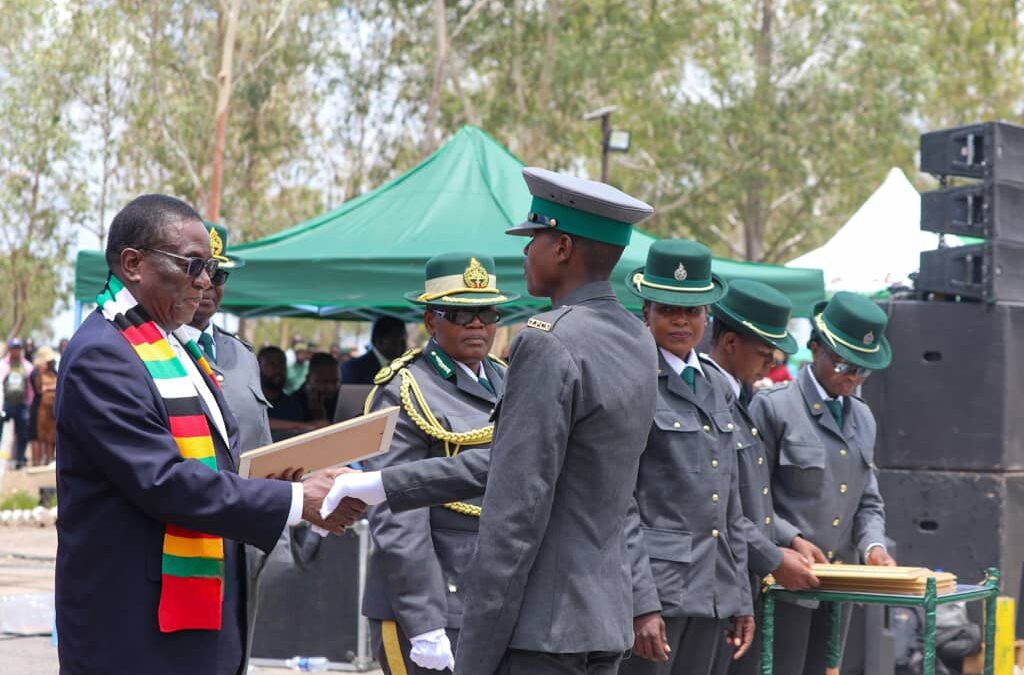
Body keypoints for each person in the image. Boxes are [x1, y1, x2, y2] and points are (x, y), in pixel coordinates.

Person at [326, 167, 658, 675]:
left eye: (534, 239)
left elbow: (514, 515)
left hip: (538, 630)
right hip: (601, 620)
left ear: (563, 247)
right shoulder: (636, 338)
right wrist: (381, 484)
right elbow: (528, 464)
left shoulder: (548, 341)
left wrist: (475, 656)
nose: (526, 253)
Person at [54, 194, 364, 675]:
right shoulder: (105, 354)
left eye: (214, 268)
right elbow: (166, 481)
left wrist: (299, 485)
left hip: (205, 614)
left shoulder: (175, 346)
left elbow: (220, 468)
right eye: (193, 264)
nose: (205, 281)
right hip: (136, 632)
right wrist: (294, 500)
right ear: (133, 263)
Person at [362, 252, 516, 675]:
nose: (476, 326)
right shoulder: (405, 388)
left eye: (486, 313)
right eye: (459, 314)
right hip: (433, 598)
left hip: (492, 594)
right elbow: (397, 511)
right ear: (431, 321)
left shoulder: (508, 379)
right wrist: (425, 621)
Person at [619, 239, 752, 675]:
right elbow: (621, 502)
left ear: (707, 317)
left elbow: (730, 501)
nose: (680, 320)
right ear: (646, 313)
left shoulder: (715, 384)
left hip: (713, 591)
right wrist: (641, 603)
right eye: (667, 309)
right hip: (658, 593)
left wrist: (739, 596)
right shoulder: (632, 379)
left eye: (692, 311)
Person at [748, 291, 895, 675]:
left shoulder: (863, 418)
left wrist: (874, 545)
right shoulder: (774, 406)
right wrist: (790, 539)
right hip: (782, 583)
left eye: (863, 369)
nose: (853, 378)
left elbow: (867, 499)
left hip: (839, 586)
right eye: (846, 364)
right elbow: (749, 496)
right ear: (816, 348)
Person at [702, 279, 820, 675]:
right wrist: (772, 557)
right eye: (765, 354)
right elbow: (714, 502)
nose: (772, 364)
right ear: (731, 343)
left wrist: (789, 538)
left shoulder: (743, 397)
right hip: (704, 584)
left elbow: (753, 495)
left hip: (735, 584)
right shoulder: (706, 397)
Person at [185, 223, 273, 455]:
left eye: (218, 275)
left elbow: (263, 442)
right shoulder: (158, 349)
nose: (208, 283)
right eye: (198, 271)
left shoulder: (244, 355)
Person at [259, 345, 316, 440]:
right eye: (271, 364)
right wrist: (302, 426)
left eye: (281, 364)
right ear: (258, 367)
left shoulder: (294, 406)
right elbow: (258, 423)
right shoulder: (251, 402)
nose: (277, 369)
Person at [342, 316, 408, 385]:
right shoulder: (354, 368)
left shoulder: (406, 369)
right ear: (379, 342)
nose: (402, 347)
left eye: (403, 342)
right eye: (395, 342)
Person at [1, 338, 33, 469]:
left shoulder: (27, 367)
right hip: (5, 404)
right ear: (9, 349)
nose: (15, 351)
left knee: (23, 434)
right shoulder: (2, 365)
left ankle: (20, 460)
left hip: (21, 405)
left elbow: (30, 388)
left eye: (18, 348)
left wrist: (29, 404)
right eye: (13, 348)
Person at [289, 352, 340, 425]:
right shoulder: (293, 404)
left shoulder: (339, 400)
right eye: (325, 381)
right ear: (309, 379)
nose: (331, 388)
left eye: (335, 382)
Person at [31, 346, 59, 466]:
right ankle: (38, 461)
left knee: (51, 434)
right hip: (41, 406)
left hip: (52, 406)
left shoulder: (54, 372)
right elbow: (38, 389)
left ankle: (49, 458)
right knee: (41, 434)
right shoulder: (36, 372)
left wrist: (49, 387)